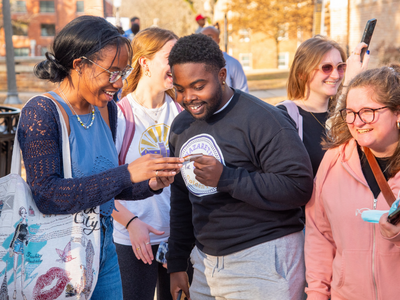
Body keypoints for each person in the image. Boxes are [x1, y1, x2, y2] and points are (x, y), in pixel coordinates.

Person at [18, 15, 183, 299]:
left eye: (123, 72)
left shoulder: (108, 111)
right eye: (111, 72)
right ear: (79, 65)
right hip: (59, 258)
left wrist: (151, 183)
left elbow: (108, 190)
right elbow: (47, 194)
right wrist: (127, 173)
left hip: (104, 253)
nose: (118, 83)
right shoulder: (42, 112)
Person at [166, 34, 314, 300]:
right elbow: (181, 200)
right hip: (205, 265)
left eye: (198, 86)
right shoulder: (180, 127)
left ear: (222, 75)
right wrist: (177, 264)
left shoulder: (264, 119)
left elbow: (298, 186)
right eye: (180, 89)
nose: (188, 98)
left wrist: (227, 178)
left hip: (263, 261)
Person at [305, 64, 400, 300]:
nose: (357, 122)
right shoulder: (335, 160)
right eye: (350, 112)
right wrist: (317, 295)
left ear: (397, 112)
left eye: (368, 111)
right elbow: (319, 236)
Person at [111, 27, 180, 300]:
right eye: (170, 58)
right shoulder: (119, 115)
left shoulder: (183, 113)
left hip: (177, 238)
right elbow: (104, 183)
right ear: (145, 62)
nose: (177, 66)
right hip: (132, 238)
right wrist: (130, 223)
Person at [201, 26, 248, 92]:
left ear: (218, 40)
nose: (205, 40)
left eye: (210, 37)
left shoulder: (233, 63)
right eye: (202, 37)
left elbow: (242, 91)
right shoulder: (194, 64)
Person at [9, 207, 29, 300]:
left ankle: (22, 291)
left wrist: (27, 240)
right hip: (17, 244)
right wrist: (11, 246)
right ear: (20, 214)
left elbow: (27, 234)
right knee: (15, 267)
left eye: (25, 213)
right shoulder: (19, 225)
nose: (24, 214)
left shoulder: (26, 224)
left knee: (22, 269)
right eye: (22, 213)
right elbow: (15, 235)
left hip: (22, 245)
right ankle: (14, 290)